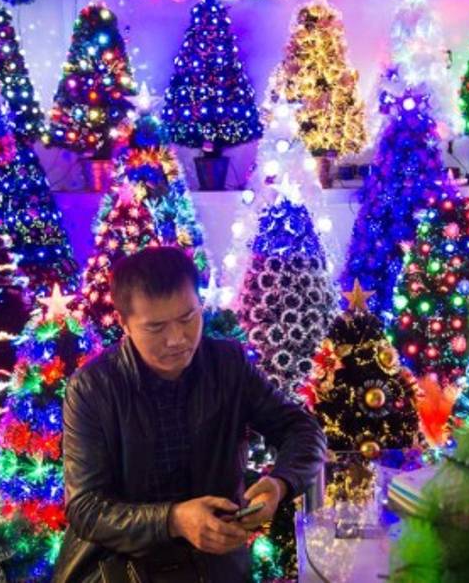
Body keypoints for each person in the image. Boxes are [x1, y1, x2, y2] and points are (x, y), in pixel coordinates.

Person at [53, 246, 327, 582]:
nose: (177, 339)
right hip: (118, 567)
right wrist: (174, 519)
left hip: (216, 566)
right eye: (155, 328)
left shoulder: (228, 365)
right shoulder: (93, 388)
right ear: (124, 323)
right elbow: (85, 508)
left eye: (188, 318)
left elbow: (302, 429)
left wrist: (279, 484)